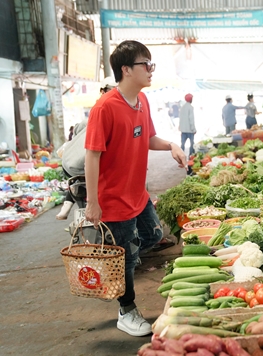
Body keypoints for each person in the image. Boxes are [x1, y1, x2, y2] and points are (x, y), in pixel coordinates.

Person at [84, 40, 186, 337]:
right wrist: (93, 203)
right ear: (126, 70)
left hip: (138, 195)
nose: (150, 70)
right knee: (127, 256)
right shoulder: (105, 108)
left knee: (154, 236)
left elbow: (148, 138)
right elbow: (92, 155)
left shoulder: (142, 102)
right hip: (113, 200)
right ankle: (126, 311)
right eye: (146, 65)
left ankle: (119, 263)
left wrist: (171, 145)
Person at [56, 77, 118, 220]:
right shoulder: (103, 110)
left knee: (77, 180)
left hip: (69, 165)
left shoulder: (96, 111)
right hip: (83, 166)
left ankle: (67, 205)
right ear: (103, 91)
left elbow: (76, 131)